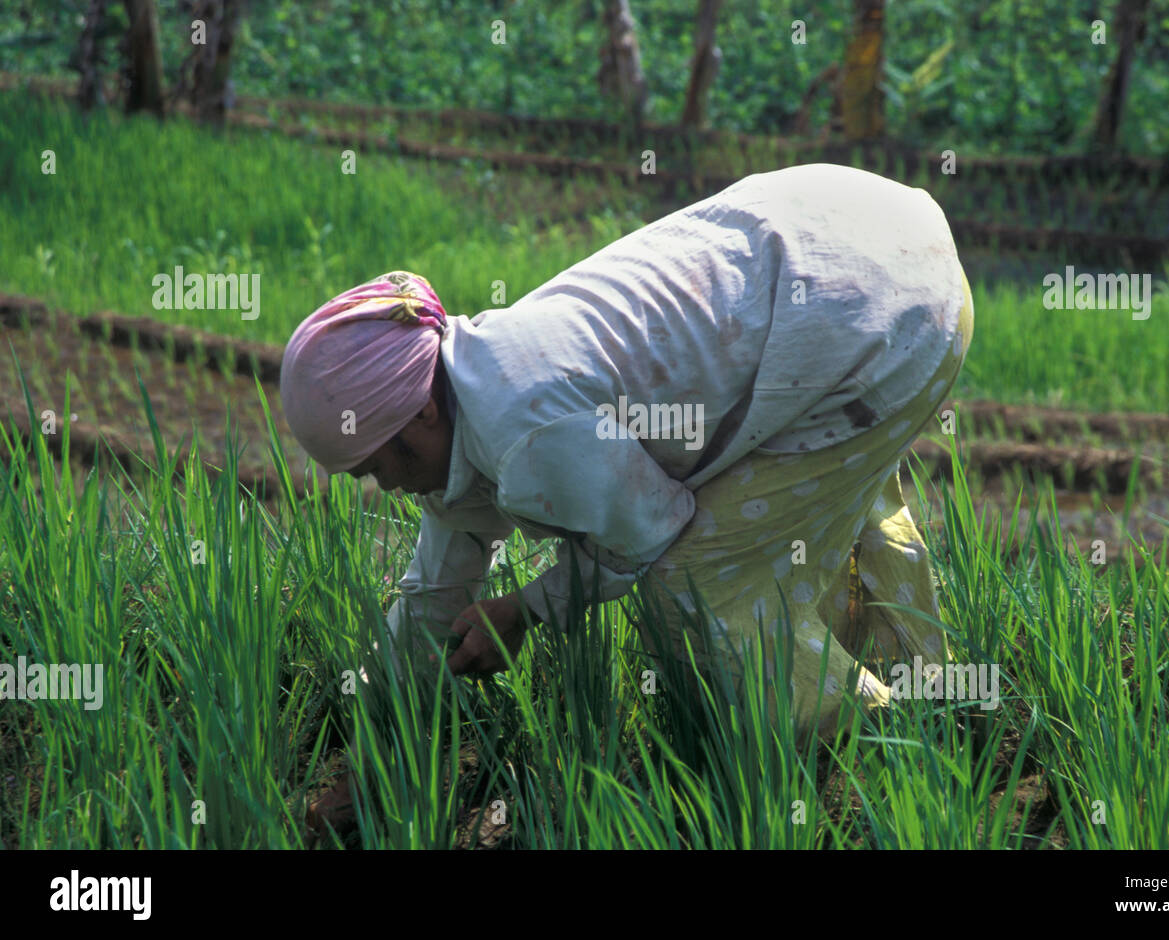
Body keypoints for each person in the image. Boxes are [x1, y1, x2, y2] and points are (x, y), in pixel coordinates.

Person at [282, 163, 974, 838]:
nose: (389, 488)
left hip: (880, 312)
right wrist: (374, 729)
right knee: (790, 512)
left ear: (419, 418)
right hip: (855, 230)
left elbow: (646, 537)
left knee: (699, 583)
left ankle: (878, 741)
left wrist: (522, 611)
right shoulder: (468, 382)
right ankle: (920, 679)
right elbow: (436, 588)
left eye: (376, 466)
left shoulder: (527, 433)